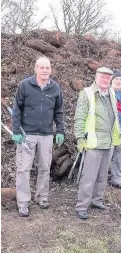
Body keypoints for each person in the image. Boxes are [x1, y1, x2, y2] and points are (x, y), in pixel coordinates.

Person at [12, 56, 64, 217]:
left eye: (47, 68)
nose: (45, 70)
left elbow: (59, 112)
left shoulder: (55, 88)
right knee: (23, 168)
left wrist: (60, 130)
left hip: (46, 135)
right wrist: (16, 132)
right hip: (27, 135)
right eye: (42, 67)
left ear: (51, 69)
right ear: (35, 69)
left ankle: (42, 196)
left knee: (44, 167)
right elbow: (16, 110)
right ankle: (23, 202)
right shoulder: (25, 86)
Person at [74, 67, 121, 220]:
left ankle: (97, 200)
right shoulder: (87, 93)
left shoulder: (112, 93)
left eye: (108, 78)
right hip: (93, 142)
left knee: (102, 175)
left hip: (109, 141)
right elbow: (79, 118)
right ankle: (82, 206)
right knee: (89, 176)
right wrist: (80, 139)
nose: (105, 80)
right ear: (96, 77)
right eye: (103, 77)